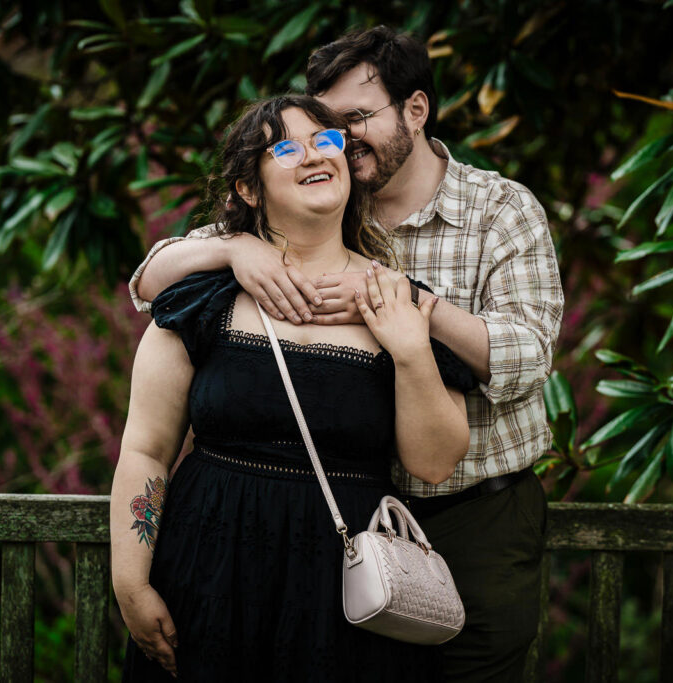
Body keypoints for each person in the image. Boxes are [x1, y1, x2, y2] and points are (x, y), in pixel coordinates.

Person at [129, 27, 564, 682]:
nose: (338, 141)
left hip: (472, 512)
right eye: (327, 127)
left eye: (352, 121)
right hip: (263, 546)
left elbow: (528, 357)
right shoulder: (279, 229)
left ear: (415, 110)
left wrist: (412, 312)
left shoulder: (497, 211)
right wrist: (231, 249)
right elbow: (150, 282)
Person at [111, 94, 474, 681]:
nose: (312, 155)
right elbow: (146, 449)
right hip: (208, 572)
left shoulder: (399, 300)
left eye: (326, 141)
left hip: (347, 590)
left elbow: (434, 464)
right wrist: (130, 582)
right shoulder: (203, 299)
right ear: (249, 189)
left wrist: (409, 348)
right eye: (285, 147)